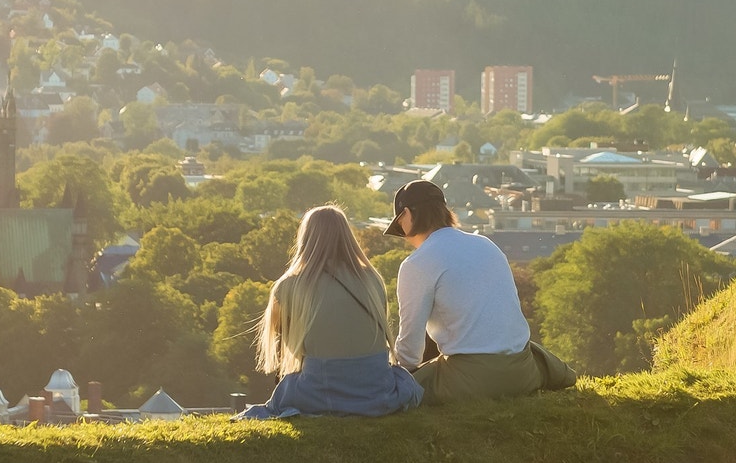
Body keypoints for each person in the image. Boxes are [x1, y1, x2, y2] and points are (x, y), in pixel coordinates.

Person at [387, 179, 570, 405]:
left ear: (406, 215)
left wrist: (398, 374)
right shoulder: (486, 244)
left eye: (399, 224)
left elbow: (410, 350)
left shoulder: (417, 263)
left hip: (471, 380)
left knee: (393, 389)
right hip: (523, 371)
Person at [238, 204, 422, 419]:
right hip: (376, 390)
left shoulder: (289, 286)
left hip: (319, 391)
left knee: (288, 388)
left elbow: (284, 344)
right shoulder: (373, 280)